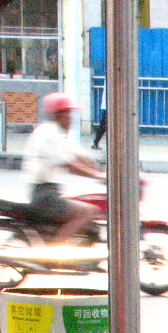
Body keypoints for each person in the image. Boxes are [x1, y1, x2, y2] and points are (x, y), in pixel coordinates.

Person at [20, 92, 104, 244]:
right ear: (59, 115)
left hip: (50, 191)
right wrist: (98, 176)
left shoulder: (58, 133)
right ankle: (54, 252)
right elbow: (69, 163)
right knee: (89, 211)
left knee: (81, 200)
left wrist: (101, 169)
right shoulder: (48, 133)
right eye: (69, 114)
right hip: (44, 195)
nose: (72, 118)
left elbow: (78, 154)